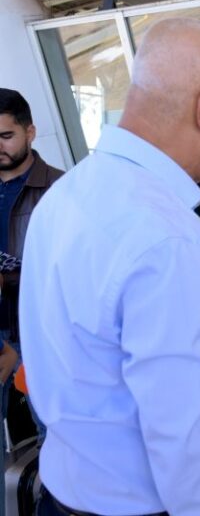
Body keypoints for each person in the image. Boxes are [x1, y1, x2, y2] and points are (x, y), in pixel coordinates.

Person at [19, 18, 200, 516]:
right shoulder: (170, 240)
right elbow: (192, 455)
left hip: (61, 490)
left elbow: (99, 322)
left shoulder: (66, 194)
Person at [0, 88, 63, 448]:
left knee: (56, 439)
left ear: (30, 132)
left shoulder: (64, 188)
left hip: (42, 339)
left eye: (6, 136)